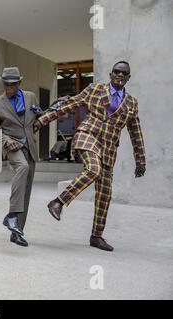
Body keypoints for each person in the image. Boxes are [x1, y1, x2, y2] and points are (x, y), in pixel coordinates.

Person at [34, 61, 146, 251]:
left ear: (128, 78)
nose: (119, 75)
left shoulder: (131, 104)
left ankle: (96, 236)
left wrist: (140, 161)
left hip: (109, 148)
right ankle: (58, 202)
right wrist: (42, 121)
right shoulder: (95, 89)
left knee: (104, 195)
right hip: (88, 136)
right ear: (111, 75)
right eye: (116, 72)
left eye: (124, 73)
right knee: (93, 169)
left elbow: (136, 134)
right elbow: (70, 105)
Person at [0, 67, 43, 247]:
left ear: (19, 83)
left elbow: (38, 117)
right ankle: (12, 215)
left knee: (26, 190)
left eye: (12, 84)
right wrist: (6, 141)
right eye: (6, 84)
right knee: (22, 167)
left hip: (30, 146)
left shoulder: (30, 97)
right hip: (11, 145)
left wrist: (46, 117)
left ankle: (17, 231)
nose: (9, 88)